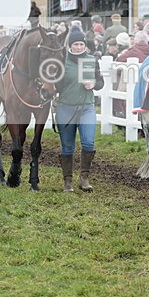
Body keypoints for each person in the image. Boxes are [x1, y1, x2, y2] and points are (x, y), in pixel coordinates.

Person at [56, 28, 104, 192]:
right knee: (67, 147)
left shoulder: (92, 60)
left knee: (88, 142)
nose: (78, 47)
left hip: (86, 108)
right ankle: (67, 181)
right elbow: (56, 86)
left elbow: (100, 82)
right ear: (70, 45)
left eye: (81, 44)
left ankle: (84, 178)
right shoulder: (62, 61)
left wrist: (93, 84)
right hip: (65, 108)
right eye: (75, 44)